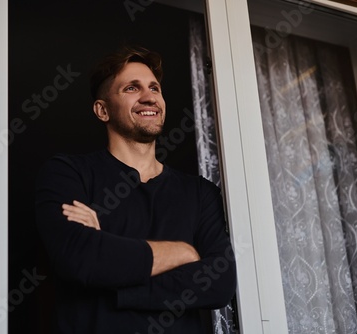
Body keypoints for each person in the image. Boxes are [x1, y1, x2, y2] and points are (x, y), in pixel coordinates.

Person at [35, 46, 237, 334]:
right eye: (132, 88)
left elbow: (219, 283)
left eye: (154, 87)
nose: (149, 96)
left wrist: (112, 276)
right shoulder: (67, 173)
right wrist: (183, 252)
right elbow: (81, 258)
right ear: (102, 110)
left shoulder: (200, 193)